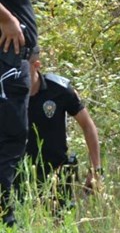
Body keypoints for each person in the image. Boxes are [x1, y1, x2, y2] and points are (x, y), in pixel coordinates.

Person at [0, 0, 42, 227]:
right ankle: (6, 220)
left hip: (17, 62)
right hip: (8, 65)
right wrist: (7, 19)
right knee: (11, 137)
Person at [22, 50, 100, 210]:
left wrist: (96, 170)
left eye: (22, 67)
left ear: (36, 66)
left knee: (59, 224)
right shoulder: (7, 92)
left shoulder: (59, 90)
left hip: (56, 173)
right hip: (18, 173)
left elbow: (88, 125)